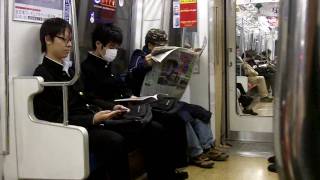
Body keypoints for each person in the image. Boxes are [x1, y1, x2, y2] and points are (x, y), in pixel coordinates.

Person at [80, 24, 187, 179]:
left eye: (117, 47)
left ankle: (166, 172)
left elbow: (122, 86)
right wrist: (113, 106)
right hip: (113, 112)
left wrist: (131, 97)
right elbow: (92, 98)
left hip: (126, 107)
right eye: (111, 46)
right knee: (155, 129)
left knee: (169, 121)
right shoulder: (87, 68)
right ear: (98, 44)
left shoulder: (109, 65)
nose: (114, 51)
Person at [33, 18, 130, 180]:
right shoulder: (43, 75)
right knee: (115, 141)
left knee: (129, 127)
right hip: (71, 129)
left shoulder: (70, 71)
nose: (69, 45)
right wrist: (92, 119)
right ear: (48, 40)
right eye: (64, 39)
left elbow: (86, 98)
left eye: (70, 40)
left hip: (85, 119)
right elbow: (54, 118)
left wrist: (111, 107)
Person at [128, 28, 229, 168]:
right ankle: (196, 153)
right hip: (148, 101)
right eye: (159, 45)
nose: (163, 48)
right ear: (150, 45)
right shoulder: (139, 55)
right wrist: (146, 64)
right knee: (182, 115)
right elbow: (132, 71)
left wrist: (190, 56)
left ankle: (208, 147)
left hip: (166, 99)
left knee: (198, 111)